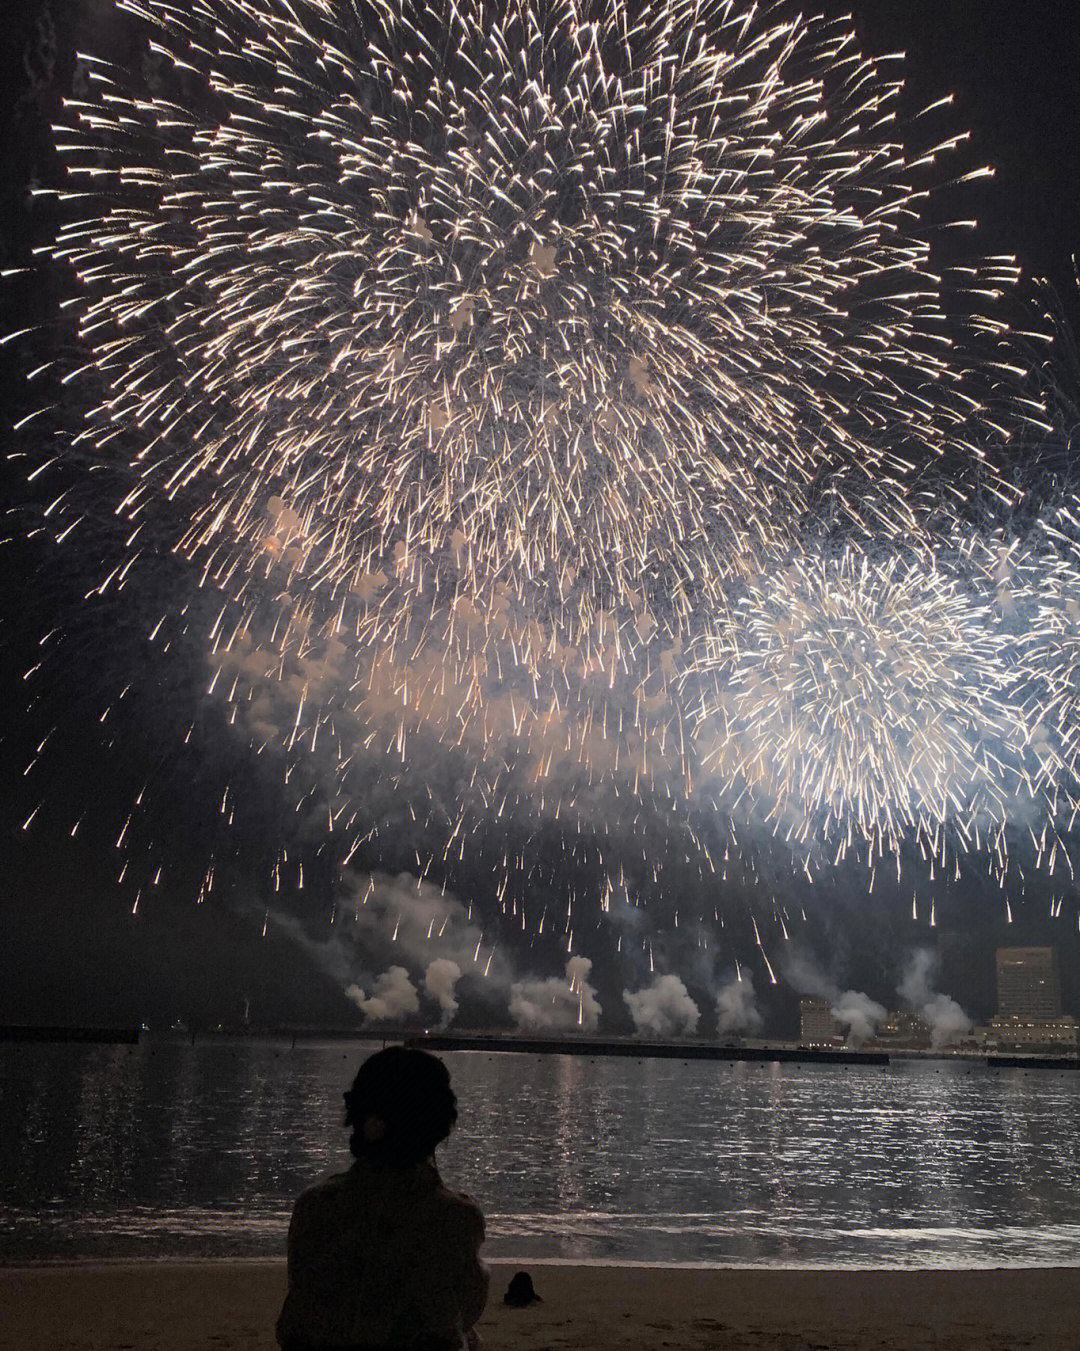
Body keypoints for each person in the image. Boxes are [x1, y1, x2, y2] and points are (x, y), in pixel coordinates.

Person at [277, 1046, 488, 1351]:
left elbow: (296, 1318)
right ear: (439, 1123)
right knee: (473, 1330)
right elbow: (461, 1315)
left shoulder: (314, 1204)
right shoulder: (455, 1216)